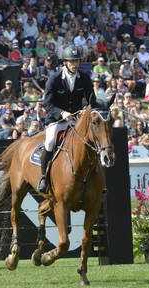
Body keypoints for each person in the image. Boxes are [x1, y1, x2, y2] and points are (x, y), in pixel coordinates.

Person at [38, 46, 111, 193]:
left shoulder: (84, 78)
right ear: (65, 62)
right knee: (50, 140)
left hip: (77, 120)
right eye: (71, 61)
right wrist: (62, 113)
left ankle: (98, 181)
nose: (75, 64)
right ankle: (44, 178)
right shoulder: (54, 78)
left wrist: (87, 108)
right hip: (56, 120)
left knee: (93, 141)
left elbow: (92, 100)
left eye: (77, 61)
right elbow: (47, 103)